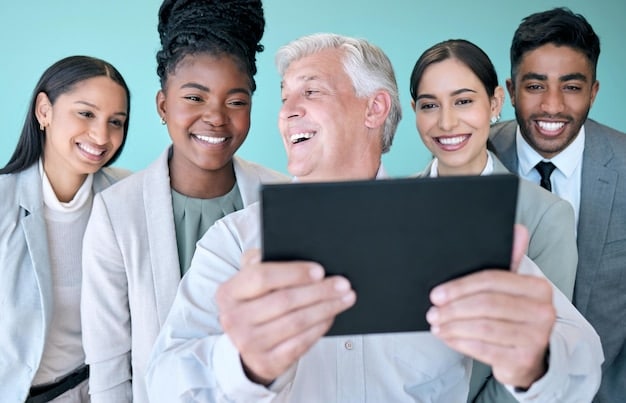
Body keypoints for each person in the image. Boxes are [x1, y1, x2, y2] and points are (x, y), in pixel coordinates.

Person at [145, 33, 602, 402]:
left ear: (374, 108)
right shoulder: (233, 244)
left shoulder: (455, 228)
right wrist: (242, 364)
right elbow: (162, 385)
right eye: (285, 98)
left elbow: (582, 364)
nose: (287, 112)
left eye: (310, 91)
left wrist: (536, 360)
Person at [79, 1, 286, 402]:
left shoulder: (282, 196)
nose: (216, 117)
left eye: (236, 101)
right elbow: (108, 368)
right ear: (163, 105)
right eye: (194, 98)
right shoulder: (117, 211)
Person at [407, 39, 585, 403]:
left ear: (494, 104)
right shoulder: (390, 204)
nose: (446, 121)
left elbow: (542, 348)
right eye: (429, 105)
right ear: (414, 111)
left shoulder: (546, 215)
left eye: (463, 101)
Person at [488, 8, 626, 402]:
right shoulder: (474, 159)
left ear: (593, 92)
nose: (552, 106)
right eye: (535, 86)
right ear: (511, 90)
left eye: (571, 87)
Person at [0, 55, 131, 402]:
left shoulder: (128, 198)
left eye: (115, 121)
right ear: (44, 110)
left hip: (100, 392)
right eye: (86, 113)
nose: (101, 135)